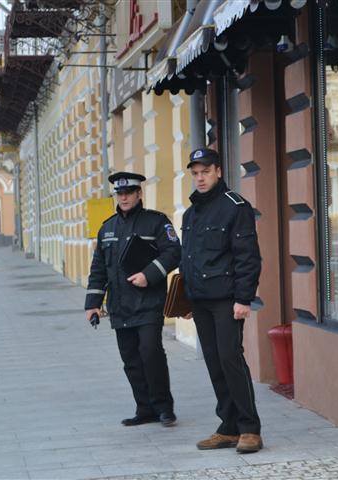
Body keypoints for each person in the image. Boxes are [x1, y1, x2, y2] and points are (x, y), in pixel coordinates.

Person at [180, 148, 263, 453]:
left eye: (205, 172)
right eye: (195, 173)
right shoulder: (191, 213)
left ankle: (249, 428)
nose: (199, 178)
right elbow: (188, 259)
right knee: (214, 362)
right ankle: (228, 427)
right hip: (201, 301)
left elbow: (248, 258)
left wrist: (244, 298)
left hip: (227, 300)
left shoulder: (235, 206)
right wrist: (187, 299)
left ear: (217, 171)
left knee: (230, 357)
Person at [85, 172, 181, 427]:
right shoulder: (107, 228)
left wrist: (148, 275)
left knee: (151, 353)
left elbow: (174, 252)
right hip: (120, 306)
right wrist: (93, 303)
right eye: (120, 193)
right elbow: (98, 269)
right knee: (131, 360)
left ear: (139, 194)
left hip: (149, 302)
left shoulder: (157, 222)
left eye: (129, 192)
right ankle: (144, 408)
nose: (124, 197)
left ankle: (164, 407)